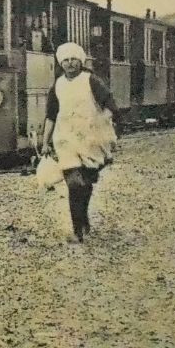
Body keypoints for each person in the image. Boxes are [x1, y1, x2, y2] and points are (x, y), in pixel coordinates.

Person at [39, 42, 120, 241]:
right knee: (74, 183)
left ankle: (83, 219)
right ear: (60, 63)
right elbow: (51, 115)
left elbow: (110, 106)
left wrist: (100, 122)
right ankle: (77, 230)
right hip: (65, 139)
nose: (70, 64)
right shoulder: (57, 85)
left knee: (86, 183)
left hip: (91, 141)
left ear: (80, 60)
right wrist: (45, 141)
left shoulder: (91, 81)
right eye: (65, 60)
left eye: (73, 59)